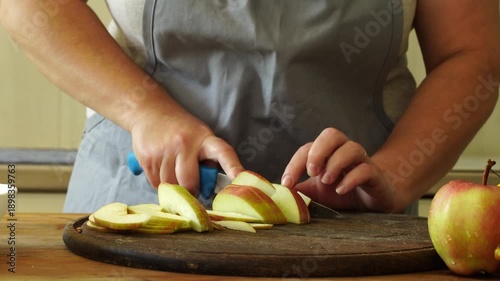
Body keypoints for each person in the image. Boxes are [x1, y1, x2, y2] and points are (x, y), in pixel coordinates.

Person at [1, 0, 498, 214]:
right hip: (134, 200)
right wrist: (143, 110)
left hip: (353, 226)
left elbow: (473, 53)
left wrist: (395, 174)